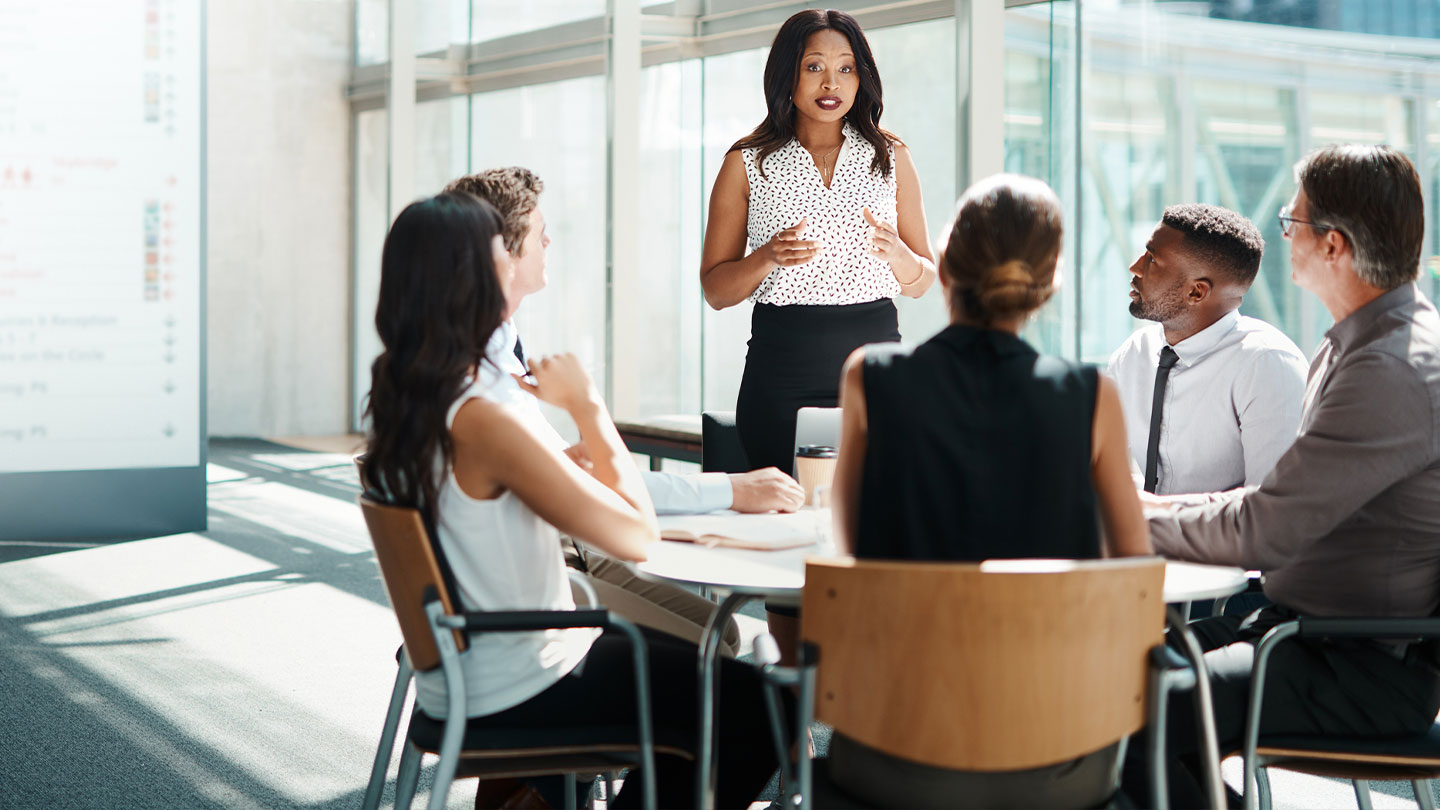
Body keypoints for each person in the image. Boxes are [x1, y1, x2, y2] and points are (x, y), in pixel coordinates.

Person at [361, 191, 782, 809]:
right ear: (471, 280)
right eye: (497, 259)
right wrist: (589, 408)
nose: (510, 267)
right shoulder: (481, 413)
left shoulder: (412, 393)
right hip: (525, 678)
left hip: (476, 666)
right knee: (760, 707)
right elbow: (635, 537)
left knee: (714, 691)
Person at [827, 174, 1153, 808]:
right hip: (1060, 761)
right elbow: (1133, 580)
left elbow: (845, 556)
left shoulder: (870, 376)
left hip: (890, 752)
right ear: (1047, 284)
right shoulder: (1092, 397)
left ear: (944, 267)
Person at [1134, 144, 1440, 808]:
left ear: (1333, 246)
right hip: (1298, 633)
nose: (1282, 234)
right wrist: (1148, 514)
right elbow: (1278, 504)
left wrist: (1131, 521)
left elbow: (1268, 528)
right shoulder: (1355, 343)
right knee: (1114, 671)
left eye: (1289, 221)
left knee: (1136, 707)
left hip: (1354, 667)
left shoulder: (1391, 368)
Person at [445, 167, 804, 657]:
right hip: (533, 592)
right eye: (536, 231)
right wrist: (587, 404)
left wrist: (567, 465)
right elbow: (624, 522)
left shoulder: (488, 358)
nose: (549, 240)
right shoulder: (482, 392)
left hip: (537, 561)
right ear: (500, 252)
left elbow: (568, 479)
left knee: (723, 631)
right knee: (717, 649)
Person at [700, 8, 937, 476]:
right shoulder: (747, 162)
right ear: (786, 74)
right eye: (815, 67)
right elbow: (716, 290)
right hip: (781, 374)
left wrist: (898, 254)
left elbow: (922, 280)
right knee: (787, 509)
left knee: (874, 514)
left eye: (846, 68)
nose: (832, 83)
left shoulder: (891, 156)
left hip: (876, 373)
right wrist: (766, 256)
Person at [1108, 204, 1307, 495]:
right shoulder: (1134, 354)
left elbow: (1273, 510)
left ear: (1196, 292)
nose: (1135, 267)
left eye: (1152, 260)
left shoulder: (1267, 365)